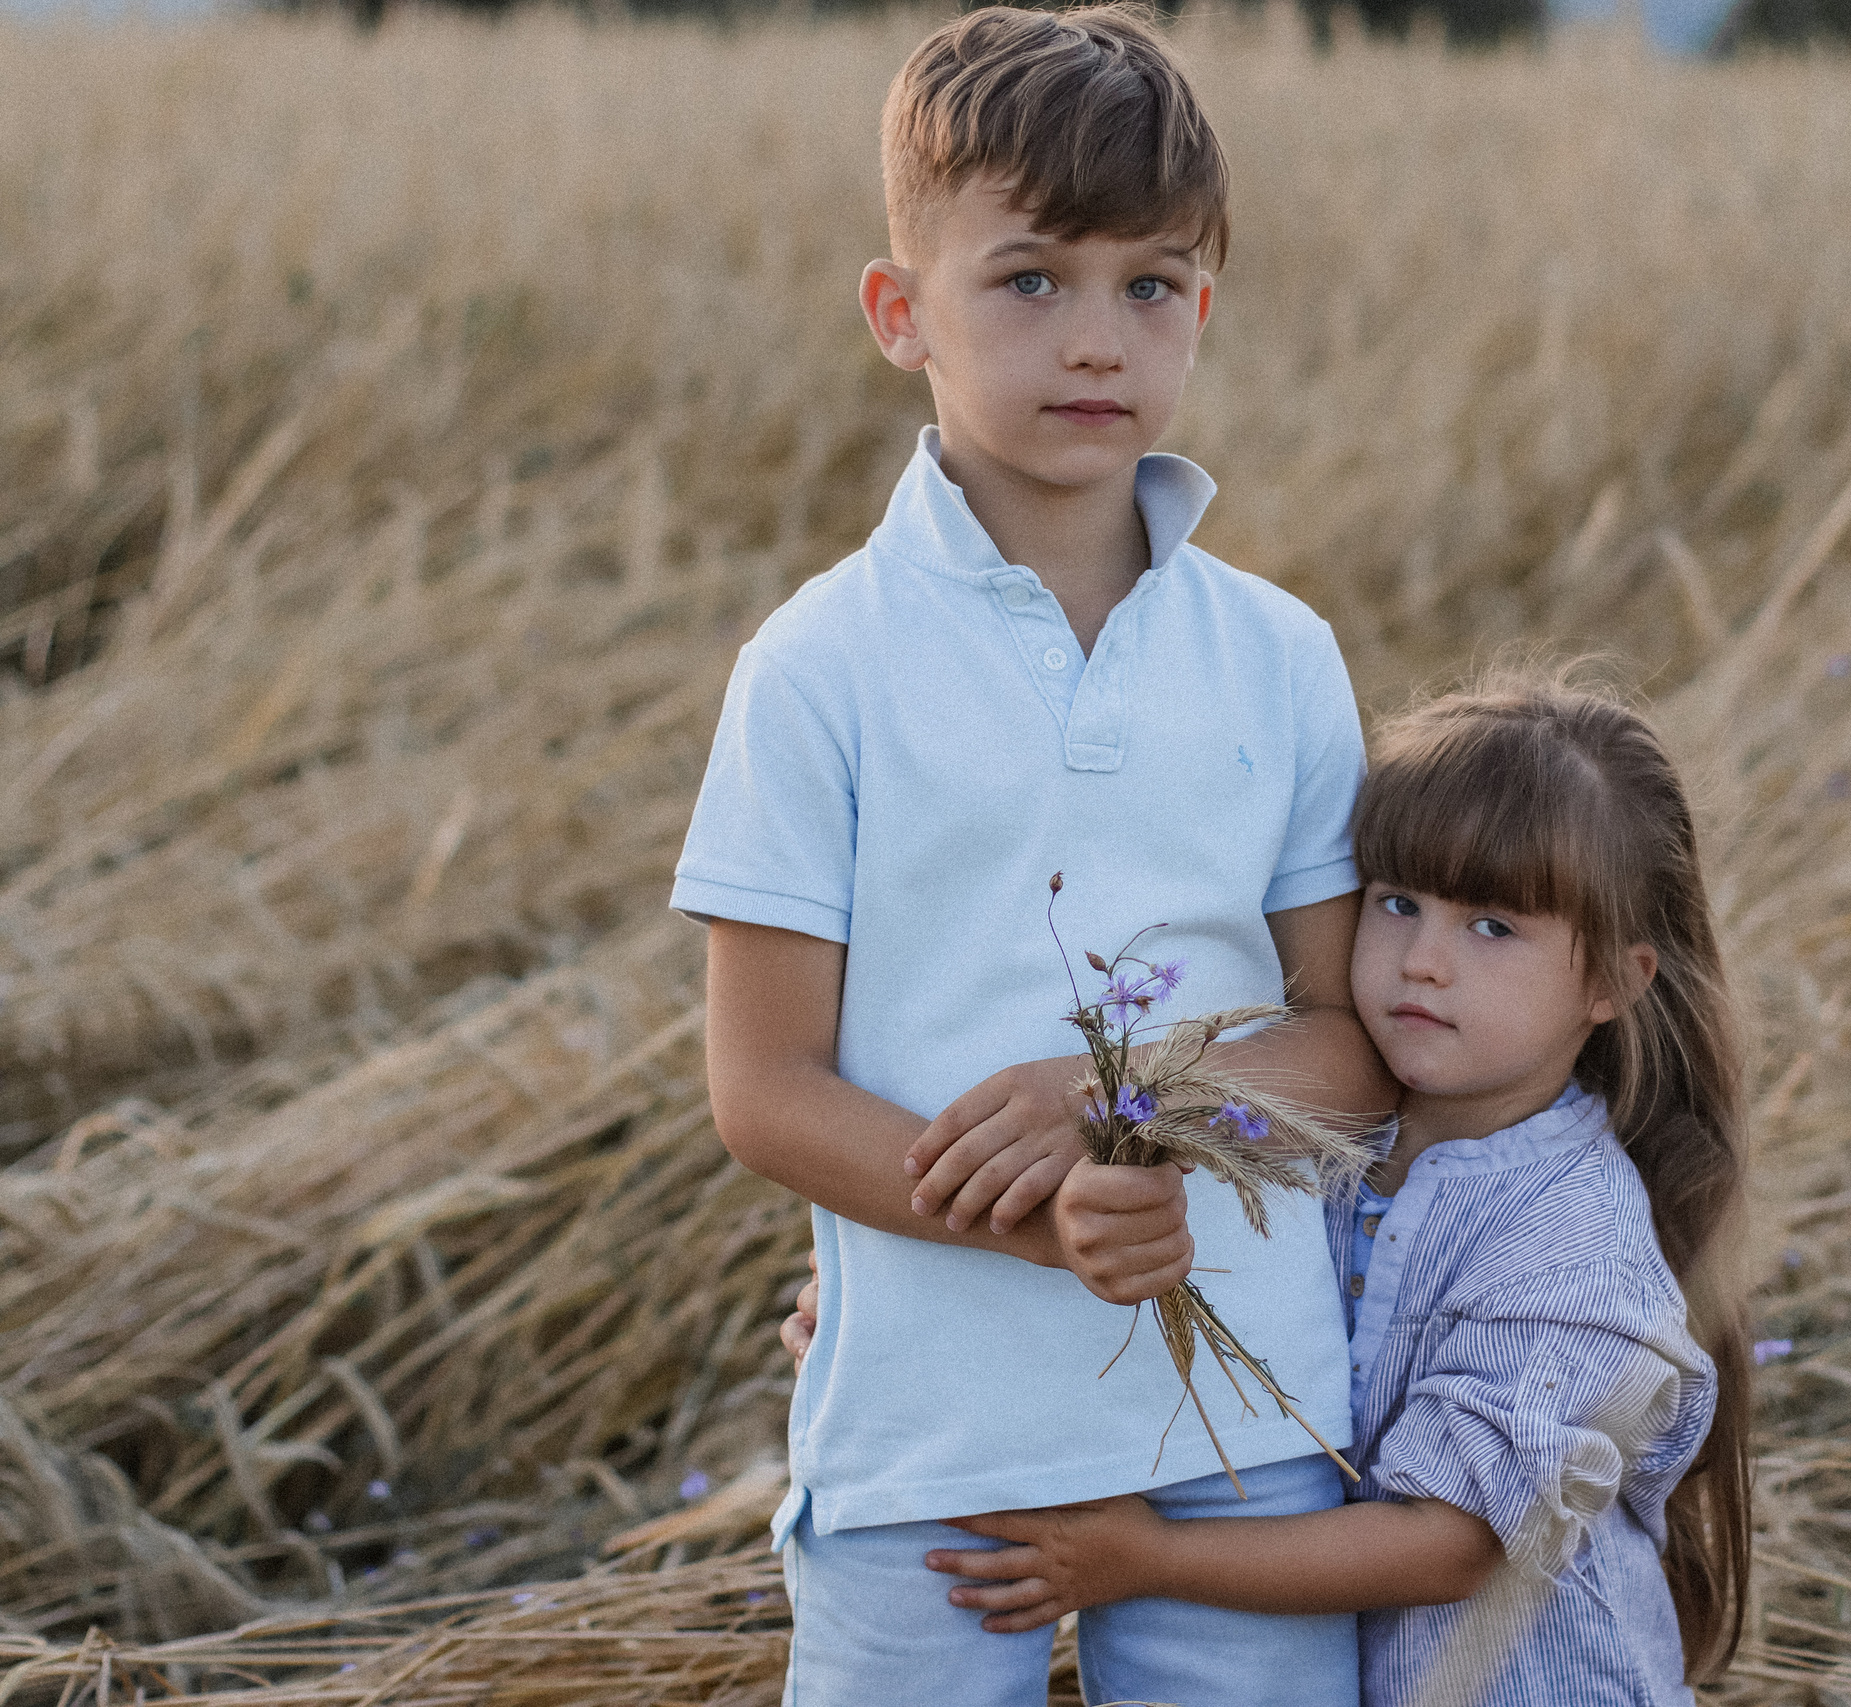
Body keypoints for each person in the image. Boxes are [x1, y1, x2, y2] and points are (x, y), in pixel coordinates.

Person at [678, 9, 1398, 1704]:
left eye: (1151, 284)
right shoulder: (819, 663)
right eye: (1030, 279)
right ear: (898, 312)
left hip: (1242, 1425)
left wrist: (1128, 1096)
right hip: (925, 1430)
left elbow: (1350, 1046)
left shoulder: (1280, 654)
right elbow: (764, 1087)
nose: (1097, 338)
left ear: (1203, 313)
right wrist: (1036, 1223)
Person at [784, 674, 1758, 1703]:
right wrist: (898, 1306)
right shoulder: (1304, 1141)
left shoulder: (1573, 1242)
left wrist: (1148, 1560)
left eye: (1493, 929)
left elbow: (1452, 1547)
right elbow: (1152, 1271)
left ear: (1613, 980)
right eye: (1396, 902)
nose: (1422, 961)